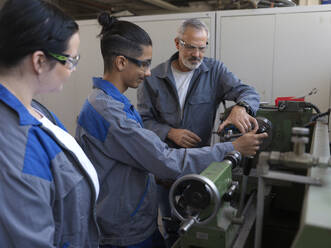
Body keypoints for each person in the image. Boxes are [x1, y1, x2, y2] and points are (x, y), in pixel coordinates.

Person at [75, 12, 267, 248]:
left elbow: (135, 153)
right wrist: (232, 148)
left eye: (202, 48)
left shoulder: (115, 103)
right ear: (121, 62)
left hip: (143, 210)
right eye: (143, 64)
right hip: (126, 227)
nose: (147, 72)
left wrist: (241, 107)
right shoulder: (108, 111)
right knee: (174, 232)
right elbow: (161, 157)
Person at [136, 18, 261, 246]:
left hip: (201, 169)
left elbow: (249, 92)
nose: (197, 54)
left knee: (201, 227)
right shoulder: (153, 78)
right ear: (177, 43)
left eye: (202, 47)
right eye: (191, 46)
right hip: (165, 173)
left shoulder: (214, 71)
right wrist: (169, 132)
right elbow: (143, 120)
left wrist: (241, 108)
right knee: (172, 227)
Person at [0, 0, 100, 247]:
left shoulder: (32, 109)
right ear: (39, 61)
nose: (73, 69)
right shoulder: (13, 147)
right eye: (71, 60)